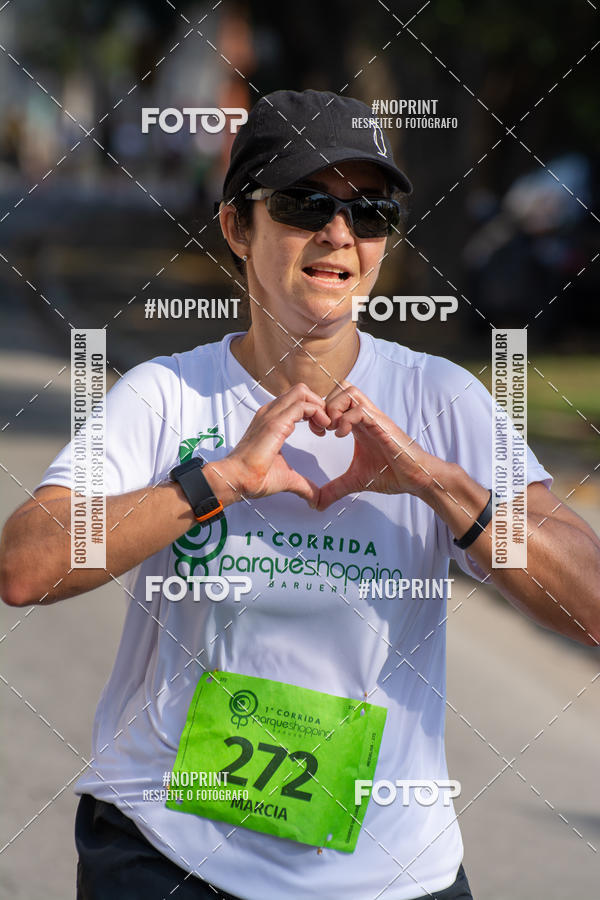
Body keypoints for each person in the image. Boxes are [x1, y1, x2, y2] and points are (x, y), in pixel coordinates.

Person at [1, 89, 599, 900]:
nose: (338, 233)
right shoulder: (168, 395)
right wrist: (218, 481)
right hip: (165, 853)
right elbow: (27, 565)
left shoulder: (441, 401)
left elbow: (590, 603)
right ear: (238, 228)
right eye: (303, 202)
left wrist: (440, 484)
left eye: (370, 212)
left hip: (390, 873)